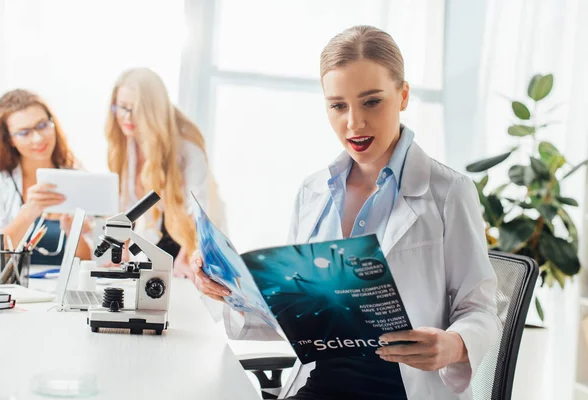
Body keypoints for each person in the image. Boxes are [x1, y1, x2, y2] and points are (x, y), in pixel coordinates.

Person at [187, 25, 500, 399]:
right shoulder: (312, 192)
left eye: (371, 102)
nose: (353, 122)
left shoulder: (449, 192)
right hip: (321, 385)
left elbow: (481, 310)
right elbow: (292, 314)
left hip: (402, 391)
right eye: (338, 105)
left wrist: (454, 344)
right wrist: (229, 290)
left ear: (402, 96)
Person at [105, 68, 224, 271]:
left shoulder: (187, 146)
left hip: (186, 241)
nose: (128, 117)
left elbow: (199, 211)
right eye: (123, 107)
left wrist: (187, 255)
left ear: (153, 110)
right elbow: (128, 210)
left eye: (137, 109)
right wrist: (122, 250)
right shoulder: (125, 142)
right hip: (151, 239)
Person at [0, 89, 91, 264]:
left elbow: (87, 260)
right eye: (24, 132)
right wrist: (30, 211)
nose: (37, 138)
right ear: (10, 140)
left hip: (61, 288)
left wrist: (75, 233)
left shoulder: (77, 175)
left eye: (42, 125)